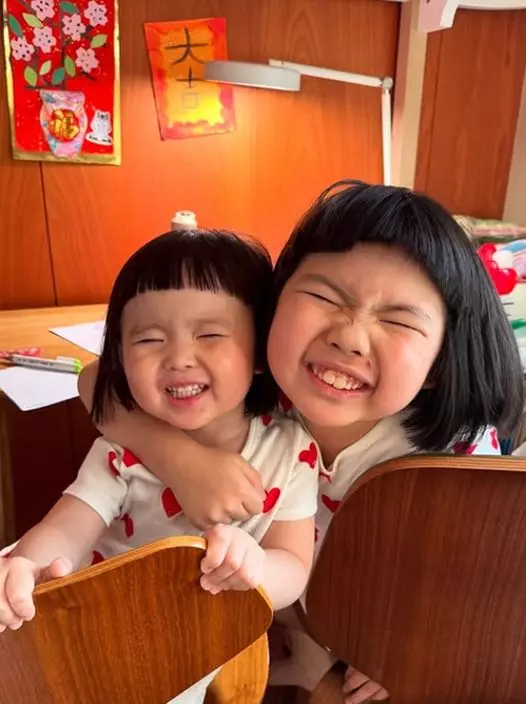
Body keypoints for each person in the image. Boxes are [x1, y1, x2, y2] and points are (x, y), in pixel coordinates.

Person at [76, 182, 524, 703]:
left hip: (388, 634)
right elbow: (93, 380)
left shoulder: (456, 455)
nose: (348, 337)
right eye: (323, 297)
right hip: (275, 607)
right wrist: (180, 459)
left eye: (397, 320)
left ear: (440, 363)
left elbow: (490, 581)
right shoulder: (256, 392)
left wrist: (421, 645)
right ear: (271, 306)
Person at [0, 229, 319, 703]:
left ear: (260, 350)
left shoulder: (291, 451)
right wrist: (26, 567)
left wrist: (254, 568)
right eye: (149, 338)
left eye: (210, 334)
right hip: (85, 629)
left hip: (182, 650)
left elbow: (292, 565)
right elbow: (66, 528)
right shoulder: (124, 451)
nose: (178, 358)